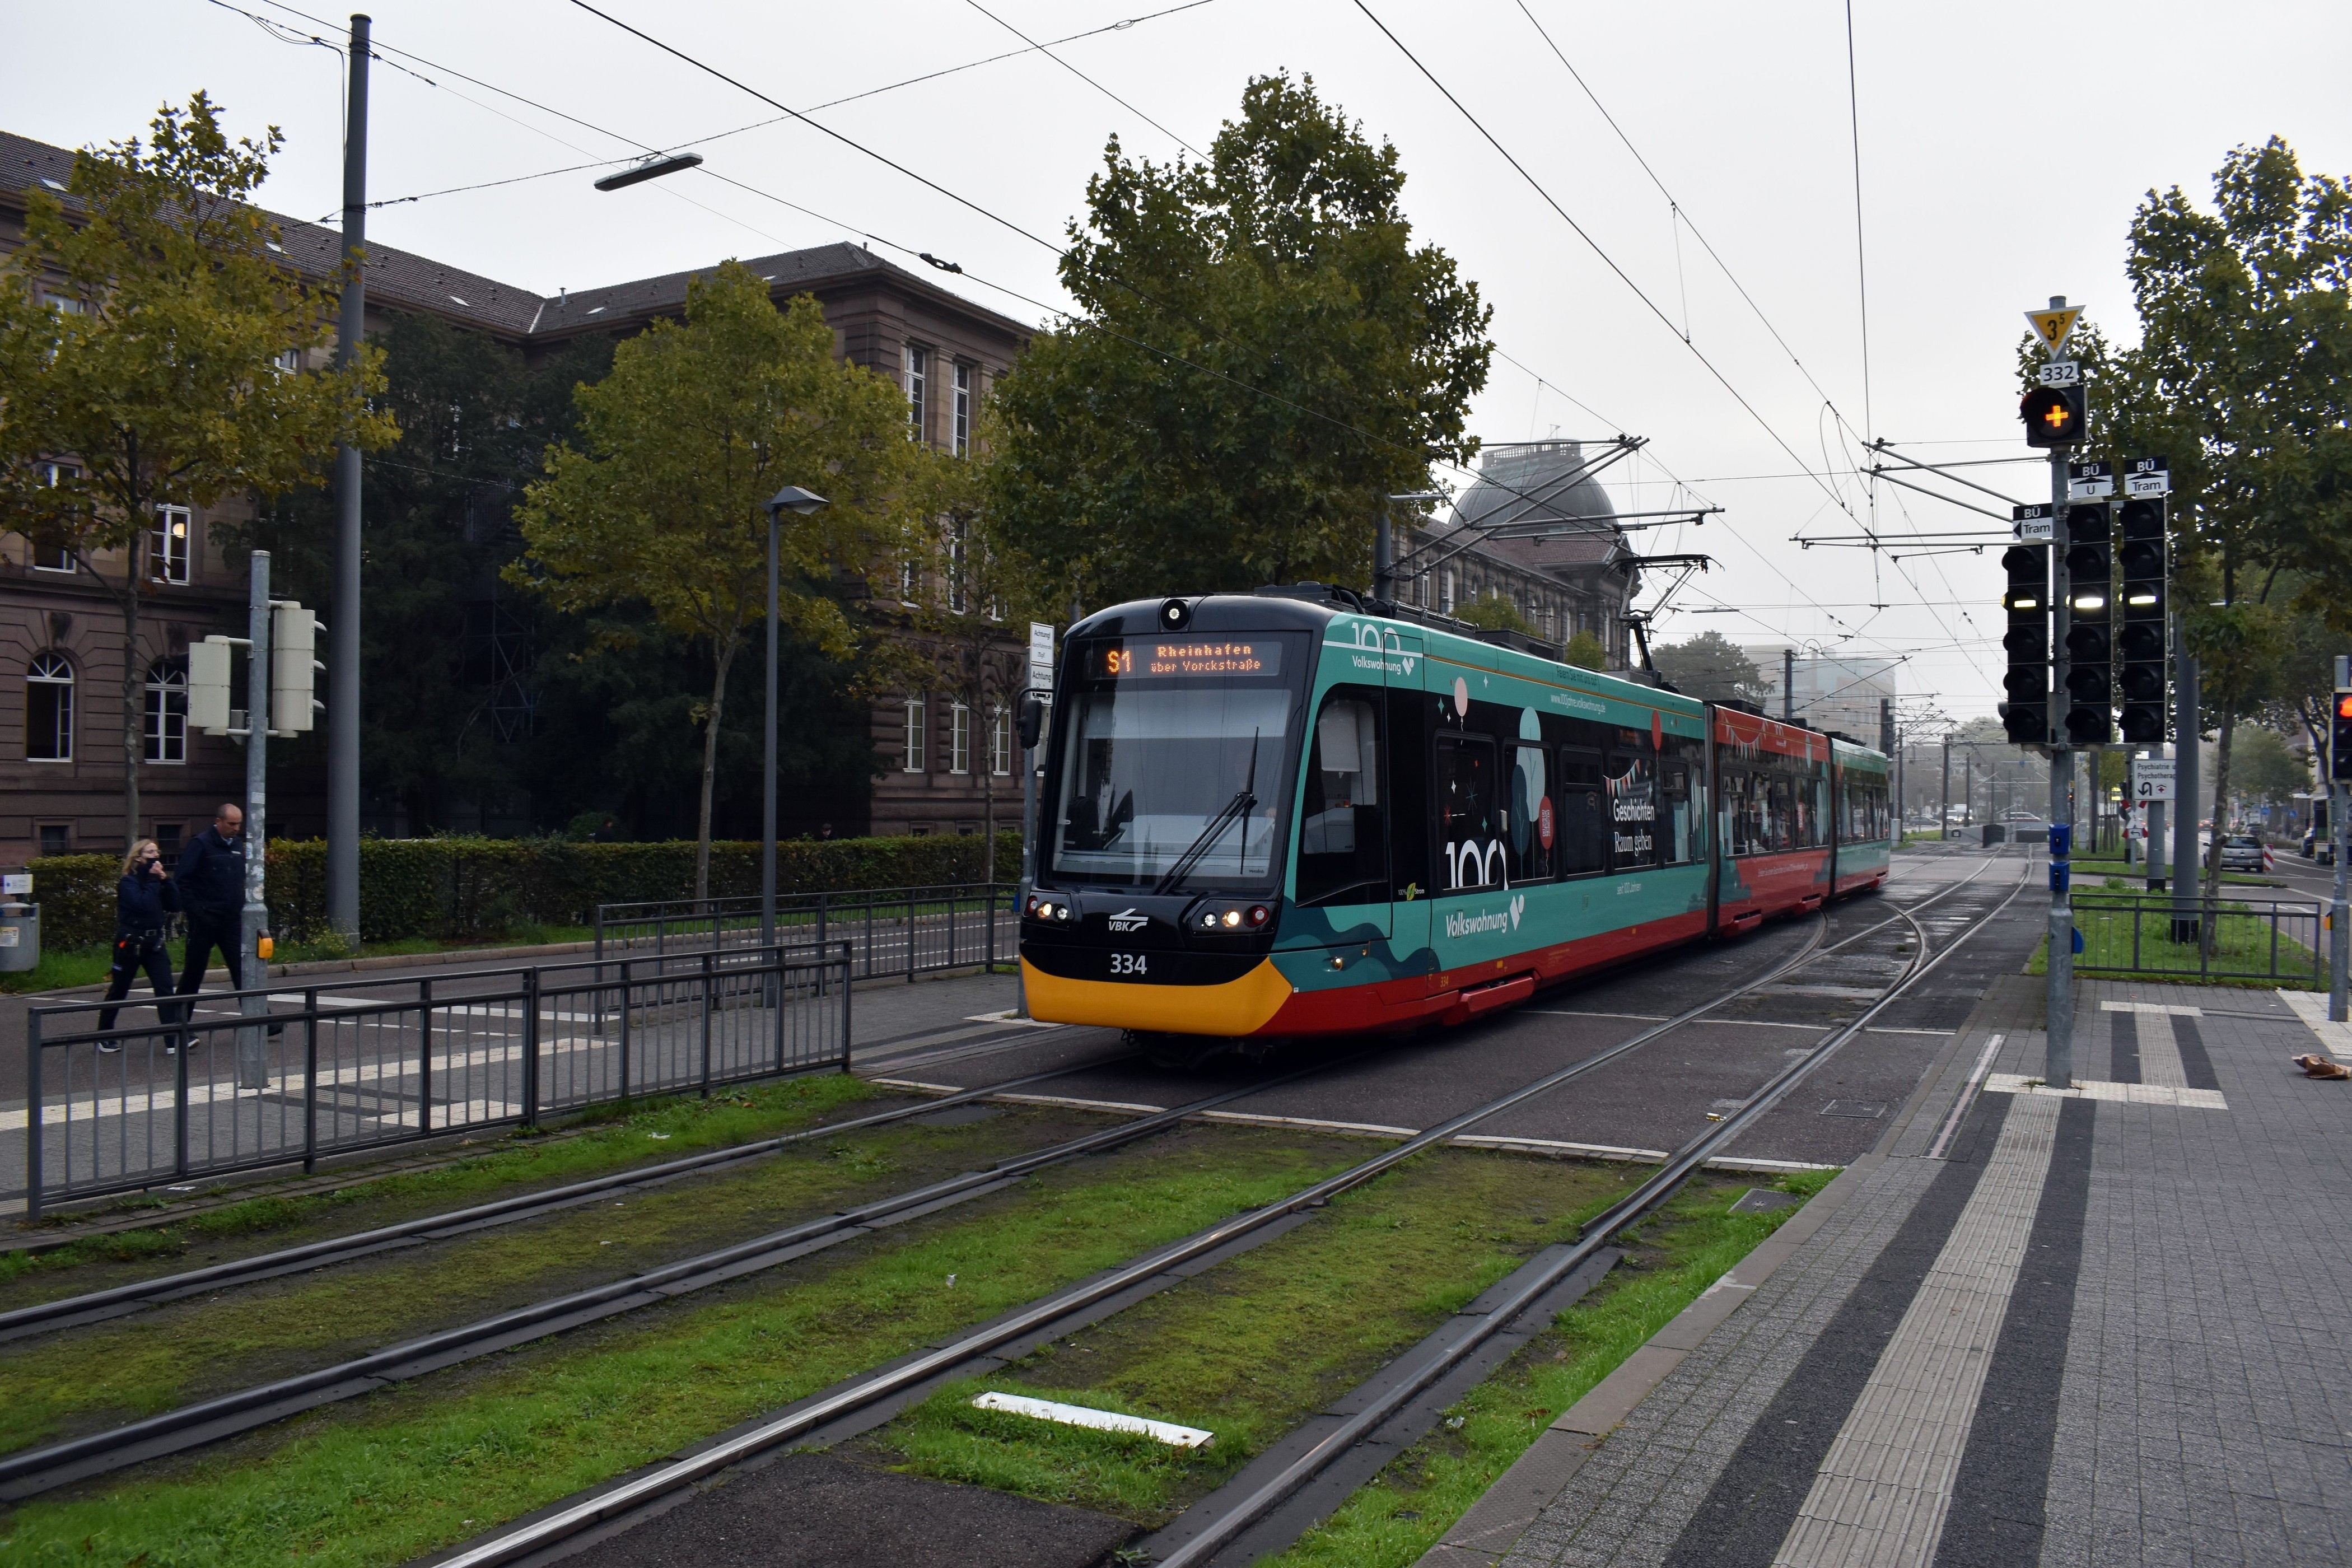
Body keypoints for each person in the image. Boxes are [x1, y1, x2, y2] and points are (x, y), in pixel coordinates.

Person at [96, 839, 181, 1052]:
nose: (156, 856)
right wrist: (153, 880)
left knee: (165, 988)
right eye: (150, 852)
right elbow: (144, 905)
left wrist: (166, 881)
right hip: (131, 944)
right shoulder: (128, 883)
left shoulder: (157, 881)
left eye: (157, 852)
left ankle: (172, 1039)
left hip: (155, 944)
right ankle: (104, 1035)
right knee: (119, 989)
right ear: (138, 858)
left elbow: (175, 905)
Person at [177, 801, 250, 1001]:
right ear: (218, 821)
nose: (236, 828)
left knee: (242, 970)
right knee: (194, 973)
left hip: (231, 920)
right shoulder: (200, 844)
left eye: (239, 824)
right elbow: (183, 880)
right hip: (206, 919)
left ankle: (259, 1015)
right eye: (232, 824)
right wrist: (198, 912)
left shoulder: (237, 845)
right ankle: (179, 1018)